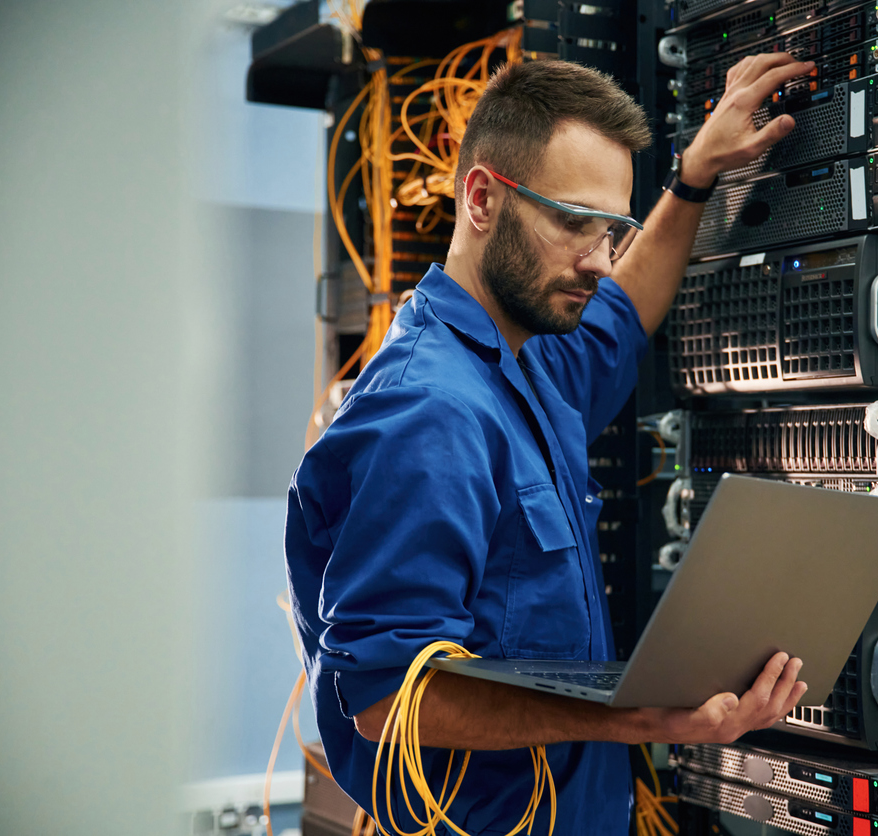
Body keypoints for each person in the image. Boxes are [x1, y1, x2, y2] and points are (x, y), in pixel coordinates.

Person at [285, 53, 814, 834]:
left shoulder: (521, 363)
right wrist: (640, 720)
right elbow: (387, 701)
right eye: (574, 223)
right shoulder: (430, 413)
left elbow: (623, 312)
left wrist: (694, 176)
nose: (599, 261)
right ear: (481, 198)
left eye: (612, 231)